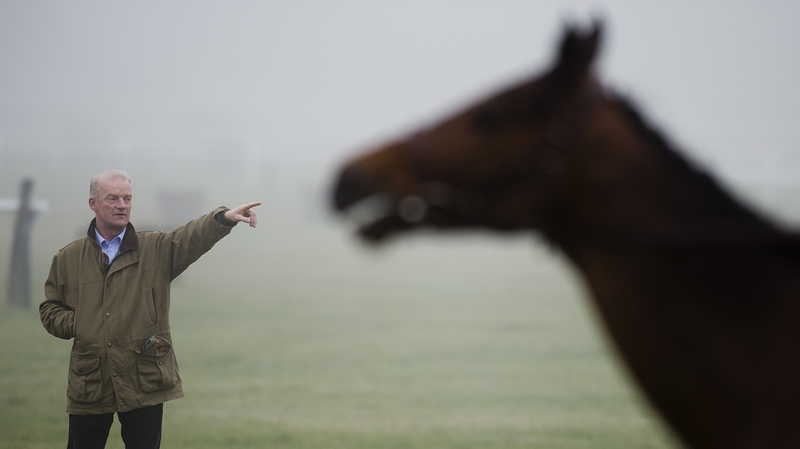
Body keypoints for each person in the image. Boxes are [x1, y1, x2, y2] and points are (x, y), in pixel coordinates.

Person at [39, 169, 260, 449]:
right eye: (113, 198)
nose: (122, 205)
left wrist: (223, 219)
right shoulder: (68, 257)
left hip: (144, 377)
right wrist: (80, 324)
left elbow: (191, 237)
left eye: (127, 198)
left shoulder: (156, 248)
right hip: (91, 381)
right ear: (93, 204)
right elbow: (50, 309)